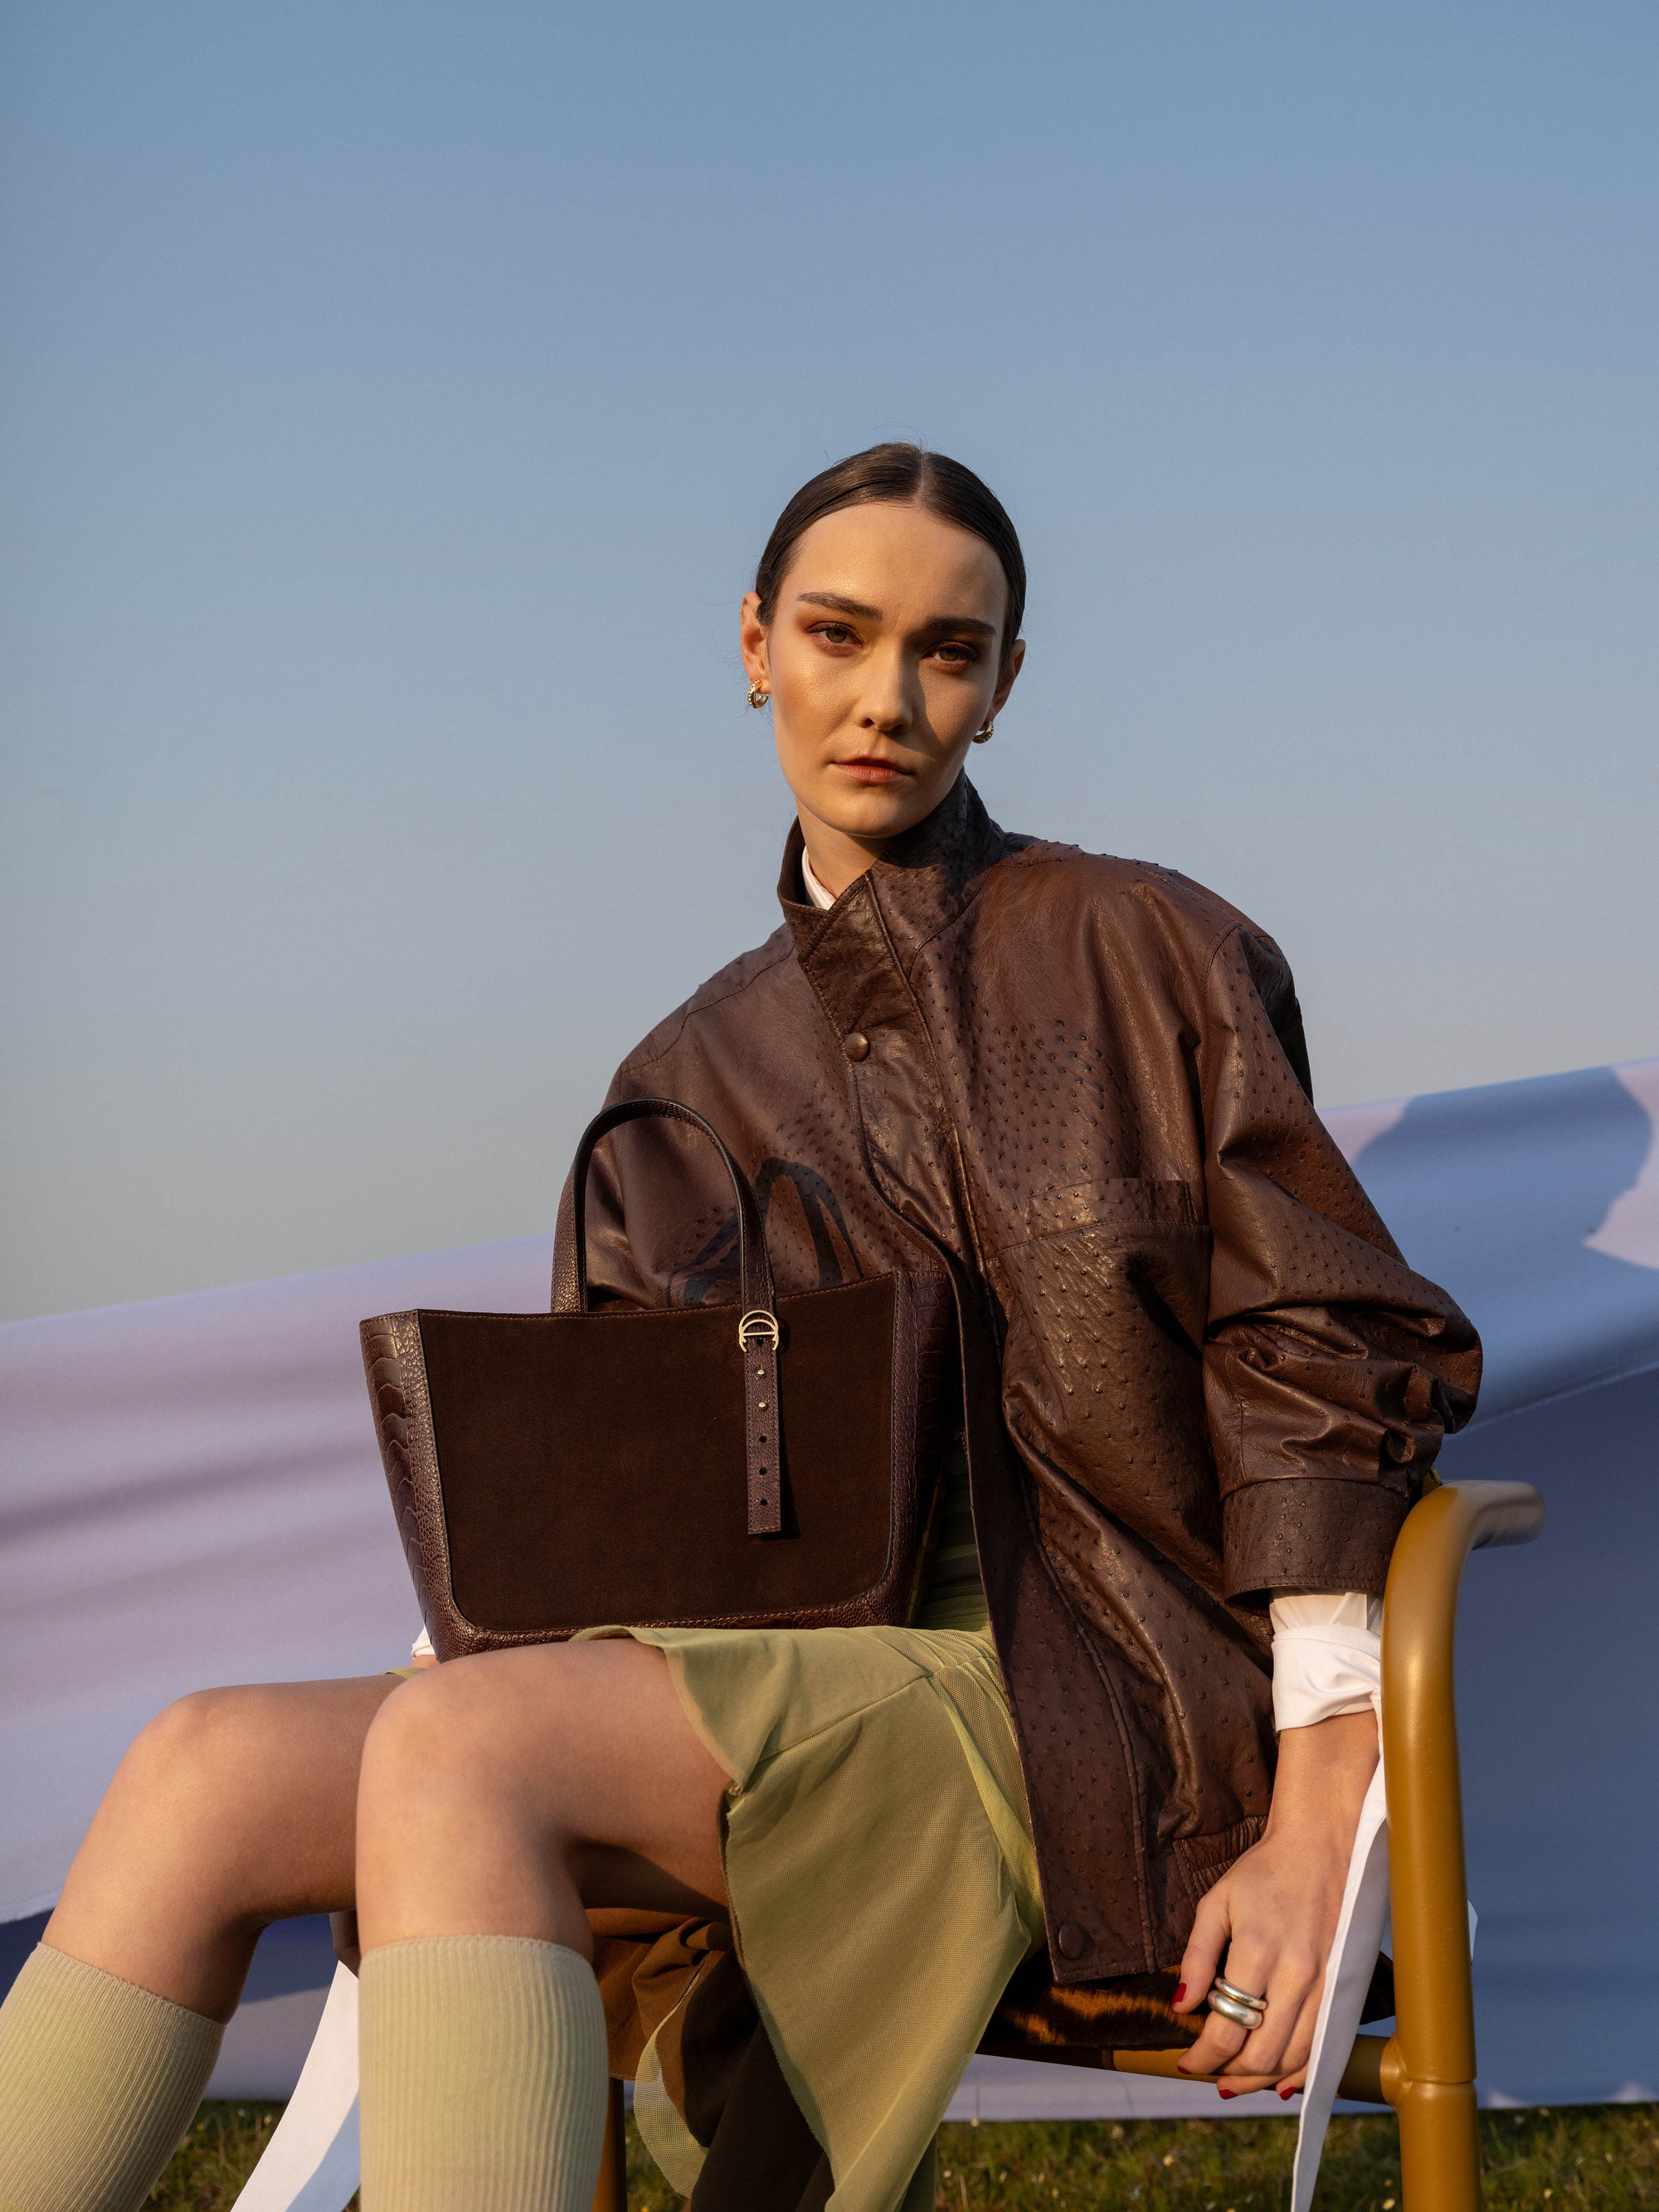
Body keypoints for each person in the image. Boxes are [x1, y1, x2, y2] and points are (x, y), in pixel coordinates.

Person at [0, 444, 1480, 2212]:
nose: (885, 697)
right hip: (779, 1676)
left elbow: (1318, 1353)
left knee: (466, 1746)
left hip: (1102, 1700)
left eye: (947, 649)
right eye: (839, 633)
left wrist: (1320, 1816)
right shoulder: (681, 1082)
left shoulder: (1143, 946)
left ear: (1004, 687)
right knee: (201, 1763)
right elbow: (628, 1505)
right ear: (755, 642)